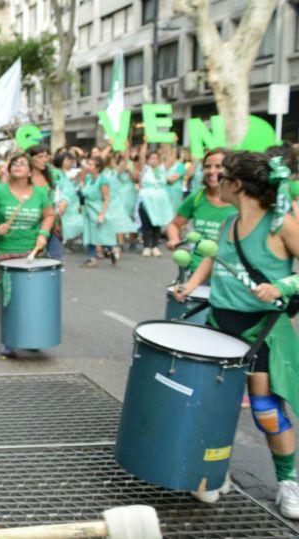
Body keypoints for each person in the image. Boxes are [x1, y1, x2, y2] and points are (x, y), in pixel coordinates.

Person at [175, 152, 299, 516]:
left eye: (223, 174)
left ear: (237, 184)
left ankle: (289, 482)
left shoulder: (282, 225)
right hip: (220, 324)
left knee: (266, 408)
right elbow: (215, 258)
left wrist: (282, 286)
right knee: (216, 407)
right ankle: (214, 472)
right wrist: (191, 284)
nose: (216, 178)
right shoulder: (229, 221)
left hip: (262, 329)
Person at [0, 153, 55, 359]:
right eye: (14, 163)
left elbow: (49, 215)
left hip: (31, 253)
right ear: (9, 169)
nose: (18, 166)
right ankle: (8, 339)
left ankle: (29, 337)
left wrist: (43, 235)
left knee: (31, 299)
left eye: (23, 164)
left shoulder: (39, 194)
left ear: (30, 171)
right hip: (4, 254)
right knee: (8, 299)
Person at [166, 149, 237, 275]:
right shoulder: (196, 197)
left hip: (229, 273)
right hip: (196, 269)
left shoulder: (242, 201)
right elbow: (174, 225)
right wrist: (174, 239)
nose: (211, 171)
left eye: (218, 166)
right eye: (207, 167)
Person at [80, 156, 119, 267]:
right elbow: (82, 182)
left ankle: (112, 250)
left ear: (98, 168)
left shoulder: (103, 180)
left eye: (91, 164)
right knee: (89, 233)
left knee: (102, 233)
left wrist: (102, 214)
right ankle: (92, 258)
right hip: (88, 209)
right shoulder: (88, 178)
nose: (88, 166)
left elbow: (106, 198)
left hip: (98, 208)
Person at [136, 144, 172, 257]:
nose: (154, 161)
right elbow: (141, 156)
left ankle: (155, 246)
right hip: (146, 200)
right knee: (146, 224)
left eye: (156, 158)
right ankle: (147, 246)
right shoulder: (145, 169)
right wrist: (145, 143)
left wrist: (172, 144)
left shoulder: (162, 169)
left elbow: (171, 157)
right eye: (151, 158)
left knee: (157, 224)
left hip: (160, 201)